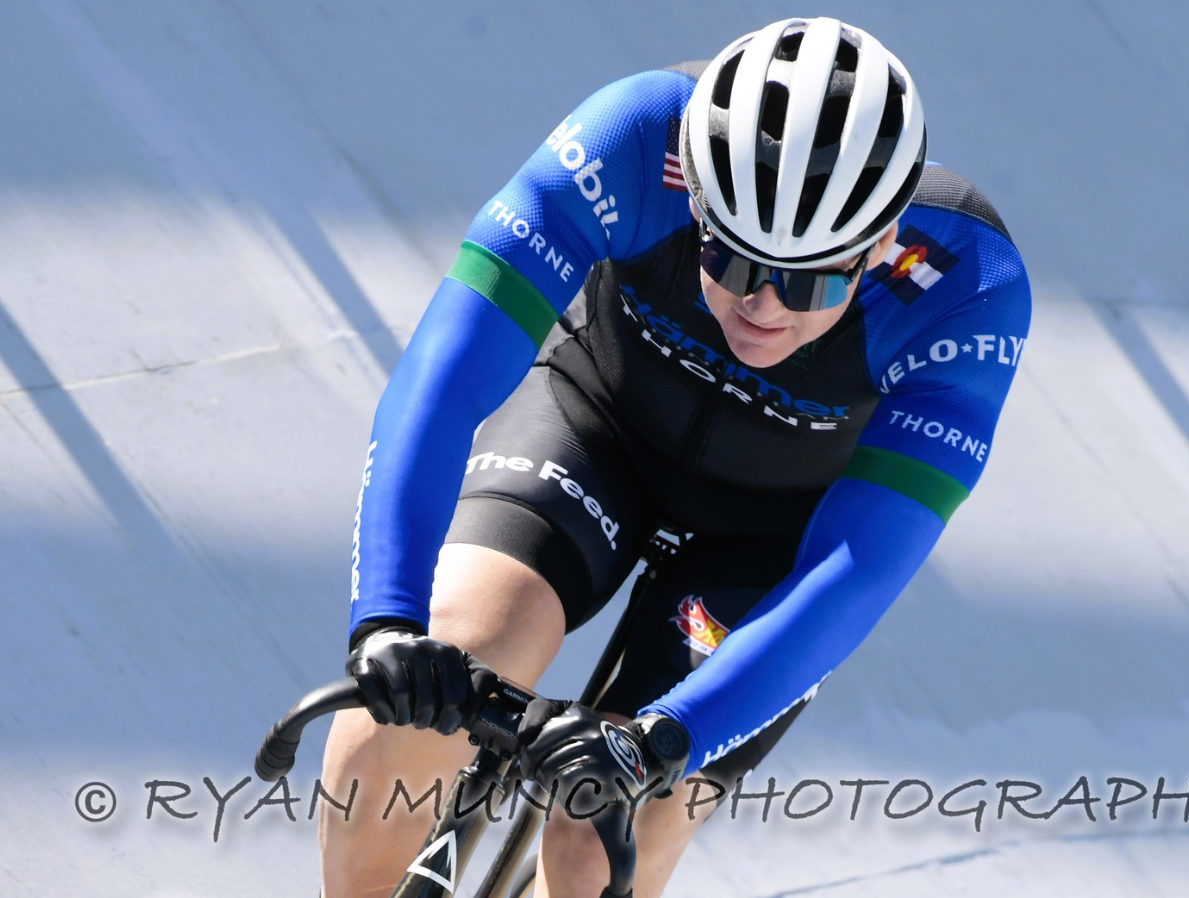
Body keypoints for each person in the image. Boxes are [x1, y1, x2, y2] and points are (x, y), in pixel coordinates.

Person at [319, 16, 1031, 898]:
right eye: (731, 262)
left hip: (772, 536)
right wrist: (387, 620)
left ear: (880, 247)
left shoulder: (966, 288)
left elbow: (856, 571)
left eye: (807, 279)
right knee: (428, 681)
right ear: (695, 200)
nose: (763, 306)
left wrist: (665, 739)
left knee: (599, 840)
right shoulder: (631, 137)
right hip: (596, 428)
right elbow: (441, 382)